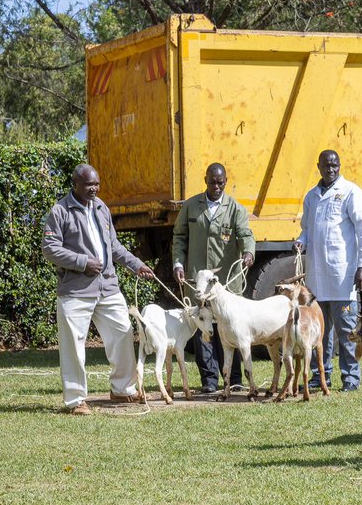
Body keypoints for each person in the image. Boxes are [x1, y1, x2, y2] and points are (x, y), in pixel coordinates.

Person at [41, 164, 155, 415]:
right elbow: (50, 248)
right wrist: (82, 262)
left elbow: (113, 245)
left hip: (108, 286)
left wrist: (137, 265)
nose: (94, 189)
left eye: (96, 184)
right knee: (73, 345)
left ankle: (122, 389)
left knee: (123, 333)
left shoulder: (101, 206)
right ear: (75, 184)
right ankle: (76, 400)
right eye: (88, 185)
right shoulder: (60, 211)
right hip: (75, 291)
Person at [293, 150, 362, 392]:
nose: (331, 169)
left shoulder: (351, 192)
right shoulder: (311, 196)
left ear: (340, 166)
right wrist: (300, 242)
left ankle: (350, 378)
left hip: (343, 276)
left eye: (335, 165)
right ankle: (321, 375)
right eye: (326, 165)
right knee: (320, 331)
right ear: (318, 166)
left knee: (347, 330)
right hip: (317, 278)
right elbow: (306, 229)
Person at [172, 163, 255, 392]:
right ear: (205, 179)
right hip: (198, 281)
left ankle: (235, 378)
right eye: (212, 182)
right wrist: (178, 263)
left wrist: (248, 252)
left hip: (226, 282)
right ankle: (209, 380)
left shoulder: (235, 208)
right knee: (203, 329)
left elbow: (246, 234)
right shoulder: (191, 206)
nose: (216, 187)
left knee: (230, 328)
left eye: (221, 182)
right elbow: (179, 237)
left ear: (226, 181)